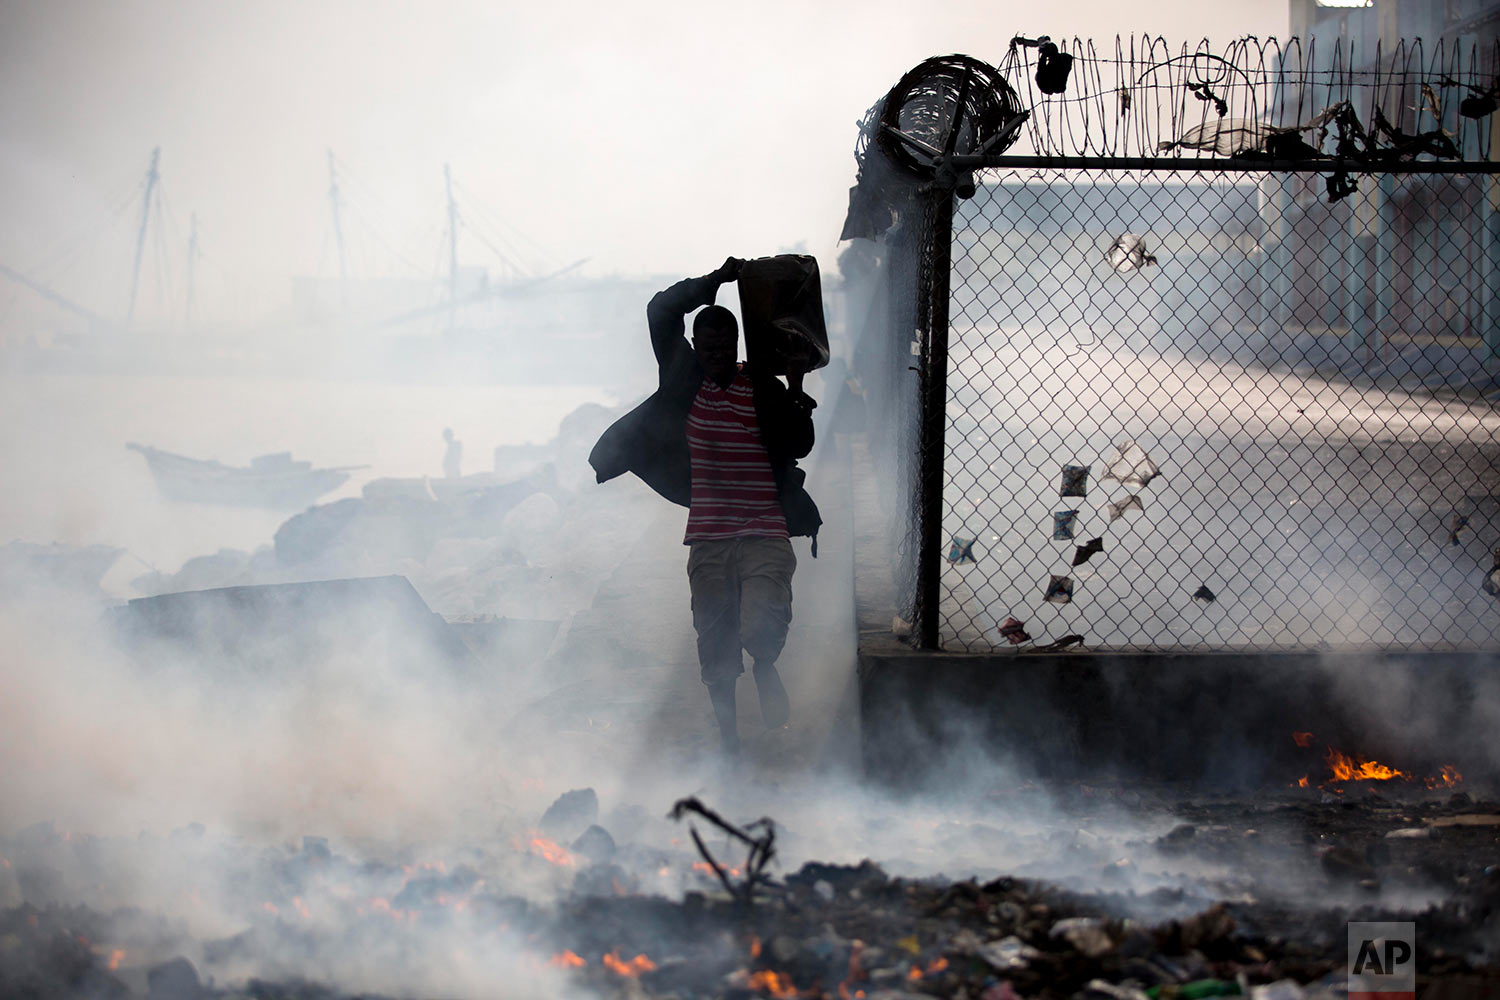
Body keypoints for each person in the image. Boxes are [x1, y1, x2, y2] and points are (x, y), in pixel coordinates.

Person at [588, 257, 821, 755]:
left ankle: (764, 664)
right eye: (707, 346)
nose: (716, 354)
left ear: (736, 346)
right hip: (710, 537)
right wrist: (716, 281)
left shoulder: (759, 386)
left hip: (764, 529)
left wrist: (798, 388)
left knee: (761, 622)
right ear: (696, 348)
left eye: (724, 346)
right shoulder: (683, 382)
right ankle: (730, 741)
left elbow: (800, 444)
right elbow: (660, 310)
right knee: (714, 645)